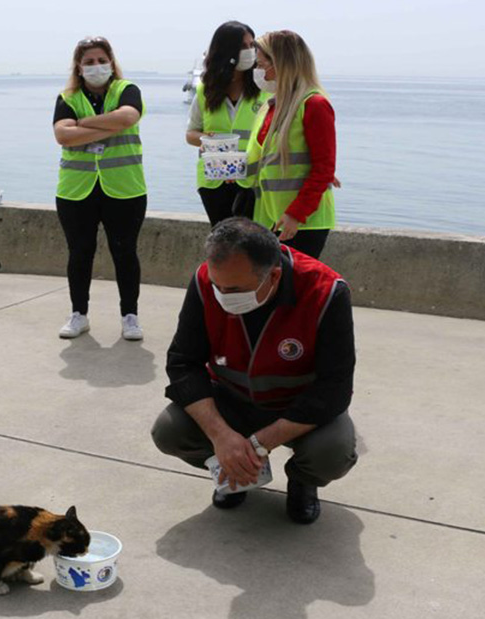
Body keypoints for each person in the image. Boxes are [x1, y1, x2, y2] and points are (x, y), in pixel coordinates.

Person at [151, 218, 356, 524]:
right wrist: (221, 437)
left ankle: (302, 480)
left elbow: (335, 387)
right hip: (231, 400)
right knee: (168, 431)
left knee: (333, 453)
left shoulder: (326, 292)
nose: (221, 295)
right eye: (217, 286)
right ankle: (235, 473)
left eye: (233, 289)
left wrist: (259, 443)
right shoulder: (206, 281)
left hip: (297, 408)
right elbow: (183, 362)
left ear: (273, 276)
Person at [51, 36, 147, 341]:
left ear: (111, 62)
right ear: (79, 67)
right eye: (89, 62)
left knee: (125, 253)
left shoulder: (126, 90)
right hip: (76, 190)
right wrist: (108, 124)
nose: (96, 66)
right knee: (79, 253)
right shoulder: (66, 97)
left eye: (101, 60)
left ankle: (129, 316)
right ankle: (79, 314)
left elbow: (128, 116)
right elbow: (63, 136)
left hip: (125, 188)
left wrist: (84, 124)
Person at [246, 31, 339, 259]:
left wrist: (296, 214)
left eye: (261, 64)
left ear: (281, 64)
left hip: (301, 222)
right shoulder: (270, 106)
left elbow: (324, 168)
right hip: (269, 218)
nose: (257, 72)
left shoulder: (314, 104)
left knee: (291, 290)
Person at [185, 21, 268, 226]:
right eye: (243, 46)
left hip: (251, 180)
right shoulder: (207, 90)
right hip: (214, 180)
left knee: (249, 243)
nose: (249, 51)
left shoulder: (264, 88)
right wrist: (209, 140)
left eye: (252, 46)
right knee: (222, 239)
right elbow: (191, 134)